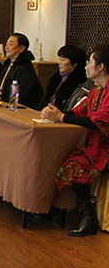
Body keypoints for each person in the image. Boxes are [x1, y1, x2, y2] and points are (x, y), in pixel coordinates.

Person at [41, 45, 109, 237]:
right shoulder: (96, 91)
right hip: (94, 144)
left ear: (101, 67)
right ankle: (55, 207)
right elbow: (78, 112)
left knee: (75, 164)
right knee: (58, 155)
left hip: (105, 147)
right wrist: (55, 113)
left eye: (89, 63)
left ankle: (88, 218)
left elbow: (97, 122)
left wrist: (62, 117)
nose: (86, 67)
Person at [0, 33, 44, 109]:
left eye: (11, 44)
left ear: (21, 48)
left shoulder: (24, 68)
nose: (6, 47)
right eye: (6, 44)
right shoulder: (8, 64)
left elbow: (21, 96)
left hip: (21, 108)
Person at [42, 45, 88, 112]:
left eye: (63, 60)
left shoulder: (79, 81)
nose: (59, 63)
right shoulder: (56, 77)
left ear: (75, 63)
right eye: (59, 59)